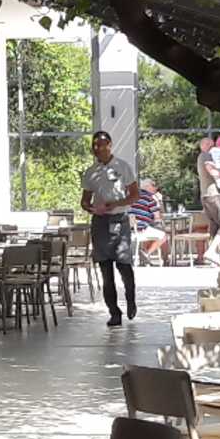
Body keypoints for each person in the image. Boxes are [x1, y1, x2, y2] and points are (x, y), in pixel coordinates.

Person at [78, 130, 140, 324]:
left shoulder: (122, 166)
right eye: (95, 145)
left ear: (110, 145)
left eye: (102, 144)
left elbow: (135, 195)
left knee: (124, 265)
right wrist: (91, 208)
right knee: (106, 270)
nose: (99, 148)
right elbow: (84, 201)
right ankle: (114, 312)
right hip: (100, 222)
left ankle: (131, 300)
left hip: (119, 220)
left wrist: (117, 204)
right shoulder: (91, 172)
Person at [129, 176, 169, 265]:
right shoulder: (149, 199)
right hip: (141, 230)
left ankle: (144, 256)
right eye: (153, 185)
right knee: (164, 236)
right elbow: (157, 217)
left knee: (151, 230)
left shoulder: (132, 197)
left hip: (129, 231)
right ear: (147, 187)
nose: (156, 188)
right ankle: (146, 253)